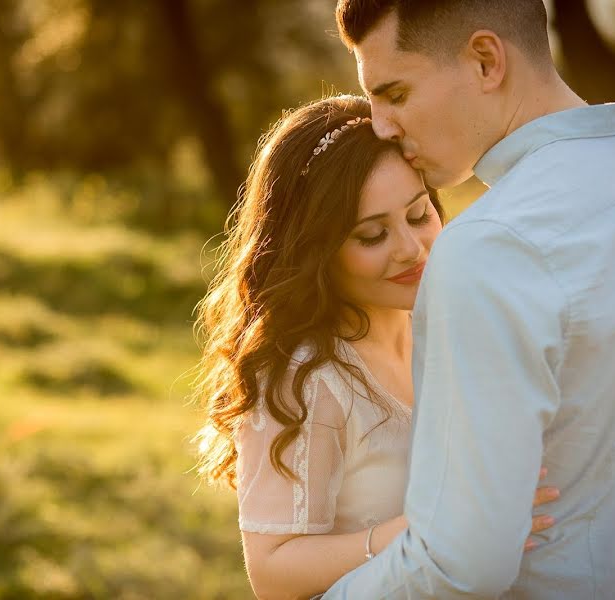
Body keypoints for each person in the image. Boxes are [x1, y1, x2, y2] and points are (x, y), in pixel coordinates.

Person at [321, 1, 615, 598]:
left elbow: (460, 563)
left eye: (395, 93)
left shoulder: (489, 247)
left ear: (485, 61)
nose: (381, 126)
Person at [193, 94, 560, 600]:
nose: (411, 249)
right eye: (372, 235)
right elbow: (273, 573)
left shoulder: (450, 330)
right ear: (316, 251)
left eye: (417, 215)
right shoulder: (308, 378)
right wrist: (435, 527)